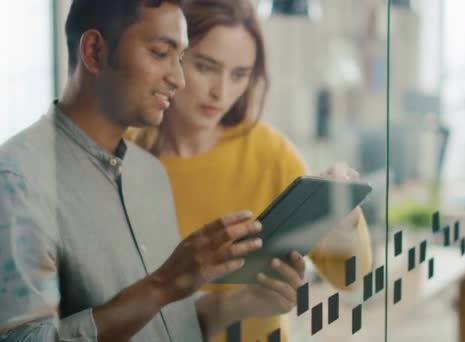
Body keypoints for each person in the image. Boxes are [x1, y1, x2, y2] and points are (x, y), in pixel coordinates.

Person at [0, 1, 303, 341]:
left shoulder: (150, 175)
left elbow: (170, 323)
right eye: (160, 53)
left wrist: (238, 303)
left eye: (181, 58)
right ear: (95, 51)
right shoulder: (17, 181)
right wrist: (162, 285)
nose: (178, 78)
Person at [128, 0, 374, 341]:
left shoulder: (270, 153)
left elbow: (352, 278)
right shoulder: (124, 152)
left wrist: (342, 216)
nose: (221, 91)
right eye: (205, 66)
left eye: (239, 74)